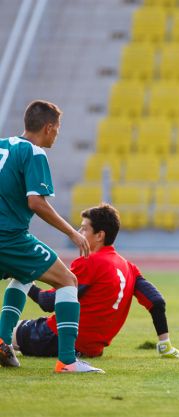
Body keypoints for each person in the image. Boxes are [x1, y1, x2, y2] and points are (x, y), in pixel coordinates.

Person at [0, 100, 102, 373]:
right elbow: (36, 202)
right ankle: (67, 360)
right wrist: (72, 232)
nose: (57, 134)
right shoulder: (34, 153)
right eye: (57, 129)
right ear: (48, 128)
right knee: (68, 280)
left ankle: (2, 340)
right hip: (9, 238)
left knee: (23, 275)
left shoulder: (2, 145)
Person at [12, 203, 179, 360]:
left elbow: (48, 302)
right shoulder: (128, 267)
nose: (79, 232)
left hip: (53, 338)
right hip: (92, 350)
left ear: (100, 235)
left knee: (6, 330)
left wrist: (28, 282)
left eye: (84, 229)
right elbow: (156, 301)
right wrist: (164, 343)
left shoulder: (90, 262)